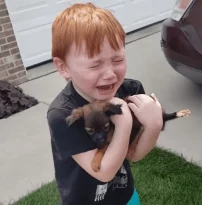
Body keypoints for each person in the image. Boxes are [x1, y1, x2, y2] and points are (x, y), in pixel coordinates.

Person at [46, 3, 163, 205]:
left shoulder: (131, 90)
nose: (110, 74)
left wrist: (154, 126)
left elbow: (133, 154)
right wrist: (124, 121)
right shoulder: (63, 114)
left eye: (117, 60)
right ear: (64, 67)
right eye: (95, 64)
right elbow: (104, 172)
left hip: (125, 196)